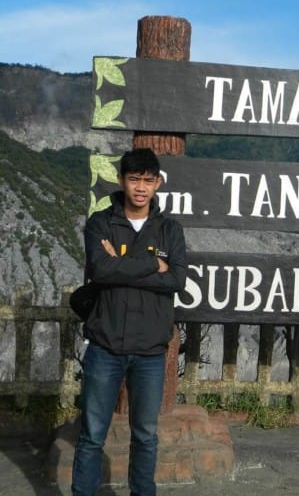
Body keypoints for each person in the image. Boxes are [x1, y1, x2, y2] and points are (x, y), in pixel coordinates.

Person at [72, 148, 187, 495]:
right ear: (122, 181)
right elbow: (99, 269)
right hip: (105, 346)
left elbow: (177, 280)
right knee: (92, 434)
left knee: (145, 435)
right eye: (134, 179)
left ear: (158, 184)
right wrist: (153, 265)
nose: (140, 188)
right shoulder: (101, 223)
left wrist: (119, 268)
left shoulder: (170, 230)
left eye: (148, 181)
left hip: (151, 350)